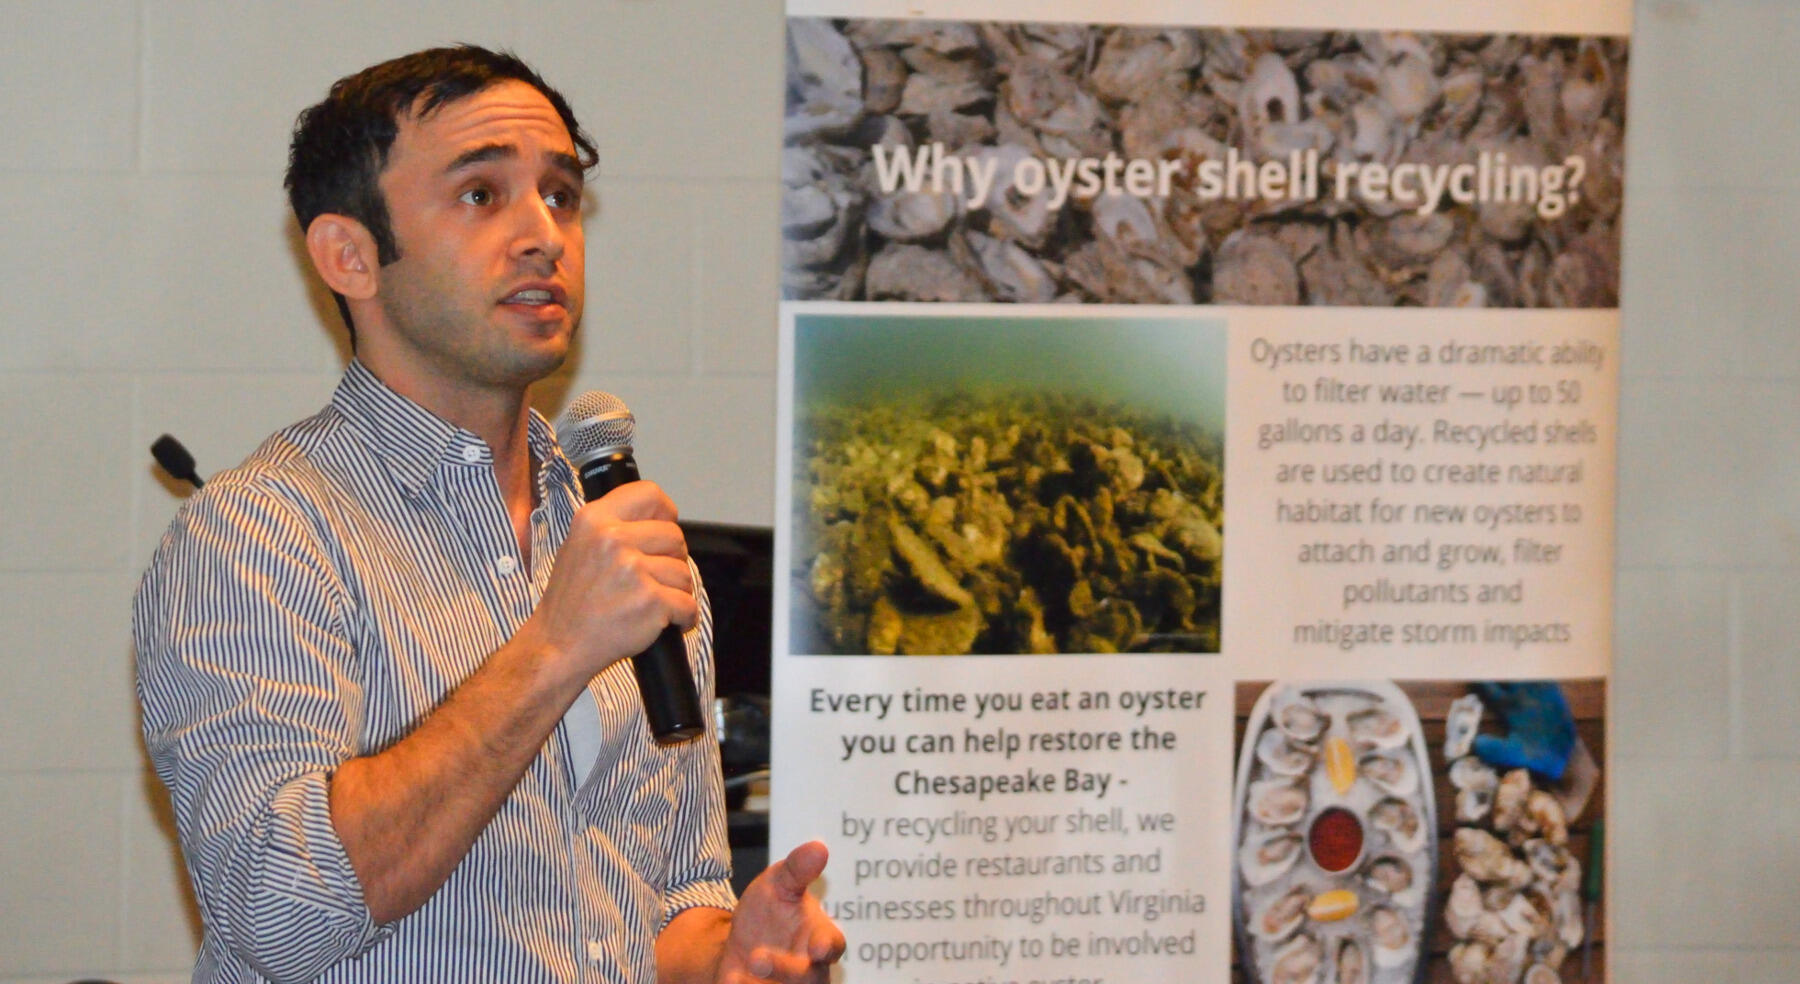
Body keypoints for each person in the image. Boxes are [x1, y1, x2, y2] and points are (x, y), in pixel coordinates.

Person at [133, 45, 843, 983]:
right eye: (481, 195)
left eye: (560, 193)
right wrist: (553, 650)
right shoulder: (259, 536)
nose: (543, 233)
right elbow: (274, 914)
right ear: (350, 256)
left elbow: (667, 895)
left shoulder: (617, 543)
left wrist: (727, 953)